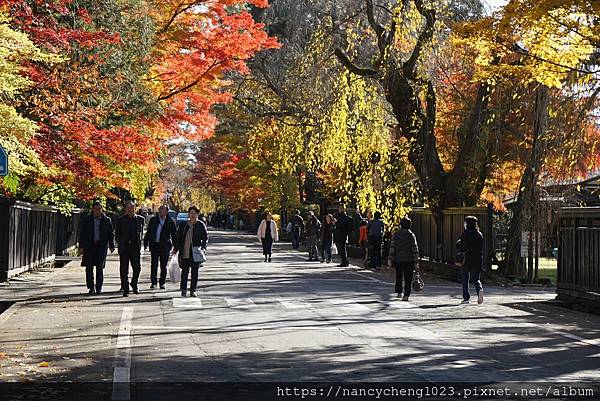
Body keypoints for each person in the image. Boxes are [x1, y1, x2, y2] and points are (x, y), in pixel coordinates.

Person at [78, 201, 115, 295]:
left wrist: (111, 245)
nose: (97, 211)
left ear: (102, 209)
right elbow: (82, 233)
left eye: (99, 209)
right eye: (96, 209)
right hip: (89, 246)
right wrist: (81, 246)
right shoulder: (87, 219)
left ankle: (99, 287)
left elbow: (111, 233)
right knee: (89, 267)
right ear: (92, 210)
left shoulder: (106, 220)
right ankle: (91, 287)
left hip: (101, 246)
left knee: (100, 267)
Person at [173, 206, 208, 297]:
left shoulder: (200, 225)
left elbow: (205, 238)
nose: (193, 215)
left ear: (197, 214)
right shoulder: (184, 224)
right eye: (191, 213)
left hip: (195, 252)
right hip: (185, 251)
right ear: (188, 214)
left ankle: (193, 290)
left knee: (194, 272)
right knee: (184, 272)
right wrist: (176, 248)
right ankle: (183, 290)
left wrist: (203, 248)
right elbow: (178, 237)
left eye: (194, 213)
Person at [115, 201, 145, 297]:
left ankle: (134, 283)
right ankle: (126, 287)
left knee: (137, 267)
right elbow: (117, 234)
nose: (130, 209)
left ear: (135, 209)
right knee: (124, 269)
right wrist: (120, 242)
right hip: (124, 247)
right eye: (128, 208)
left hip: (135, 247)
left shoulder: (140, 219)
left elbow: (140, 233)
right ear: (125, 209)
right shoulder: (120, 220)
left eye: (131, 208)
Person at [144, 205, 177, 290]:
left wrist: (176, 247)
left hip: (165, 246)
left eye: (162, 209)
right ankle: (153, 283)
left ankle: (162, 283)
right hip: (155, 245)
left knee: (163, 266)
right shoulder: (153, 220)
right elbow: (149, 231)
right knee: (154, 265)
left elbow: (174, 235)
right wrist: (146, 242)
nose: (160, 211)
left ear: (166, 211)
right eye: (160, 209)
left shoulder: (170, 221)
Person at [388, 217, 420, 301]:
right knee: (408, 278)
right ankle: (406, 295)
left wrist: (390, 258)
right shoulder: (411, 235)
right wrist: (416, 261)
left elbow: (393, 246)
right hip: (409, 259)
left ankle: (399, 292)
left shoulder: (396, 234)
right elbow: (414, 248)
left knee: (399, 276)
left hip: (398, 259)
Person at [457, 216, 484, 305]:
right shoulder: (479, 234)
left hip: (467, 259)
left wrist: (459, 244)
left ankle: (466, 298)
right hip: (478, 259)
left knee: (465, 278)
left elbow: (463, 247)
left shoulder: (466, 234)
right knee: (476, 279)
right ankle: (479, 290)